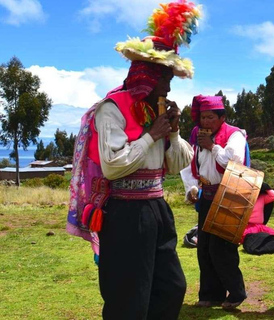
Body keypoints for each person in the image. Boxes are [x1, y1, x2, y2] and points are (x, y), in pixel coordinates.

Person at [66, 2, 201, 319]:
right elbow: (113, 165)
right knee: (129, 297)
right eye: (165, 77)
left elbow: (178, 163)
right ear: (149, 75)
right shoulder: (111, 108)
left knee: (171, 287)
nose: (169, 85)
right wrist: (151, 135)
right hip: (126, 214)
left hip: (157, 208)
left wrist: (173, 132)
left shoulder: (157, 111)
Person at [180, 94, 248, 310]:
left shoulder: (234, 135)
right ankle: (211, 294)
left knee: (222, 248)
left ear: (222, 117)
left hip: (229, 196)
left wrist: (212, 146)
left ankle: (236, 293)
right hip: (208, 196)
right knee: (205, 247)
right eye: (203, 118)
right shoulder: (198, 136)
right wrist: (192, 188)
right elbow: (193, 165)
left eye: (210, 117)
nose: (206, 122)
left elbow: (233, 162)